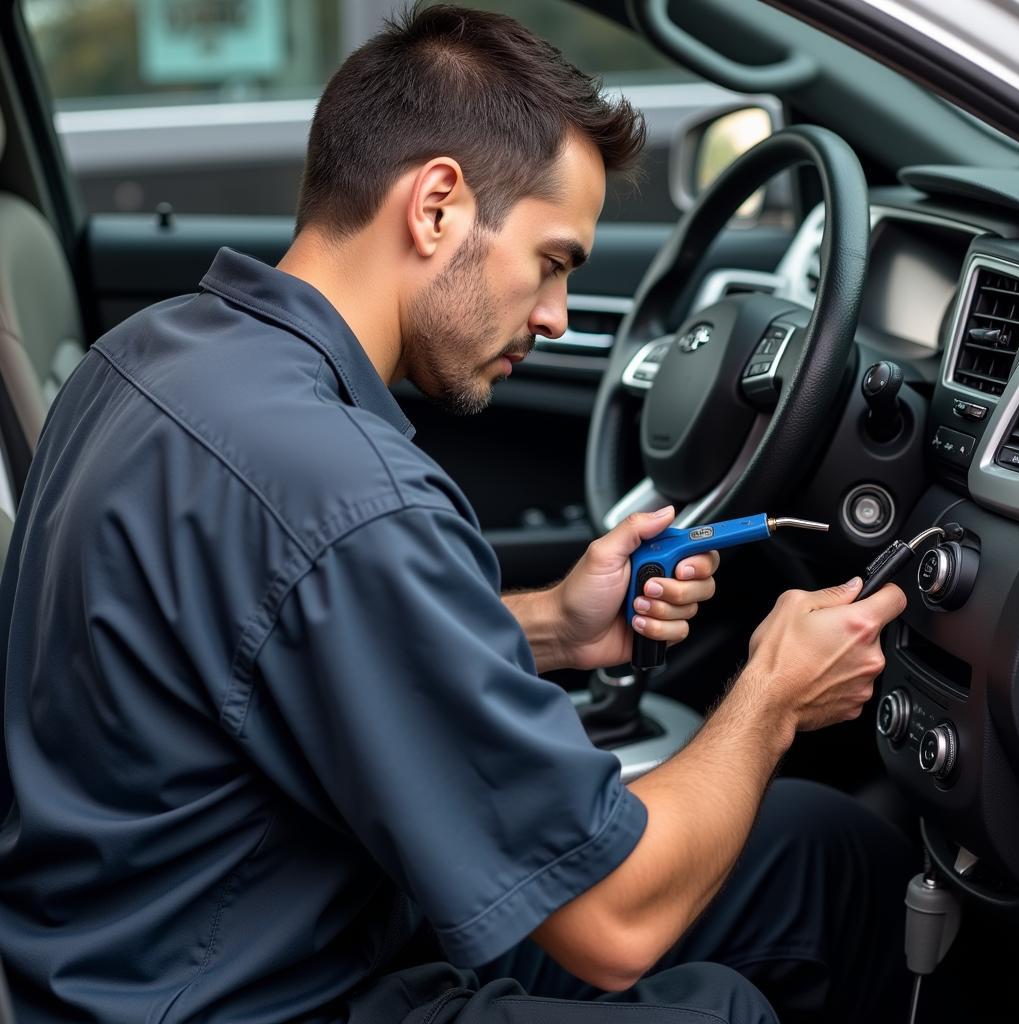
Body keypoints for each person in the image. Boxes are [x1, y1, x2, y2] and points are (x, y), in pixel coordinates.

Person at [0, 5, 916, 1023]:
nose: (557, 314)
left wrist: (552, 626)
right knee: (716, 1007)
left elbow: (264, 637)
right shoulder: (347, 492)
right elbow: (614, 926)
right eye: (555, 260)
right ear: (436, 205)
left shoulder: (149, 354)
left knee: (817, 855)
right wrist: (775, 693)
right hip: (260, 991)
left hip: (125, 942)